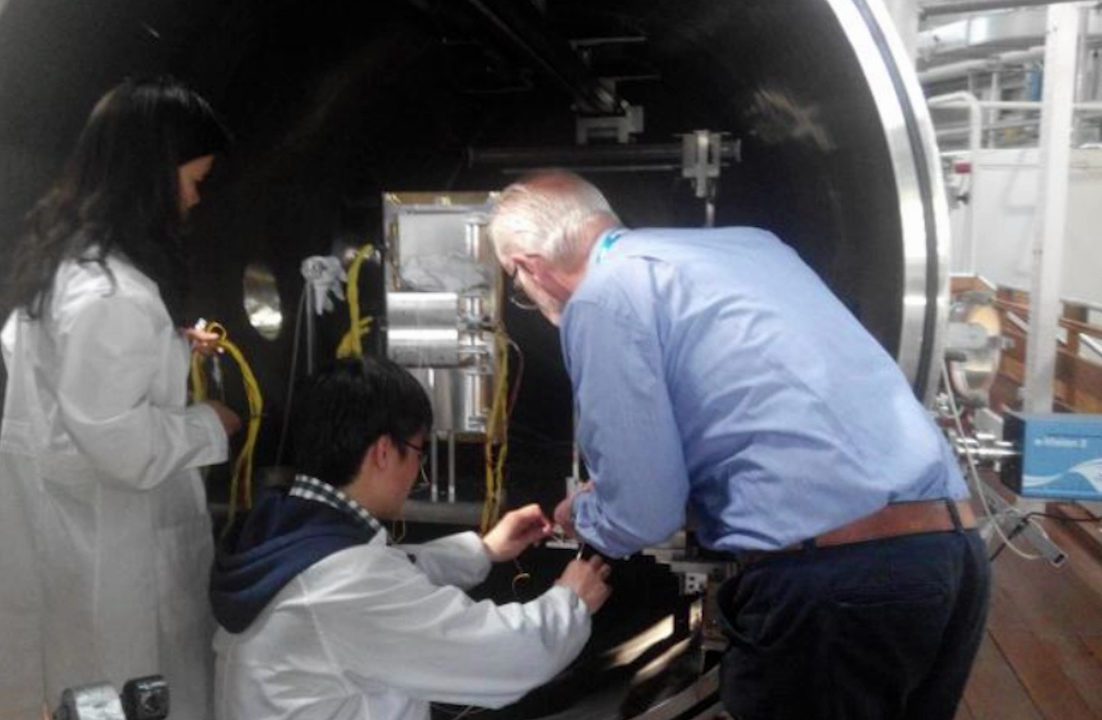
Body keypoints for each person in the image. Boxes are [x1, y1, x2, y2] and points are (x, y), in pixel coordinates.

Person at [487, 169, 991, 720]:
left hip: (837, 584)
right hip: (954, 556)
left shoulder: (601, 300)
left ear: (529, 267)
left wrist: (585, 512)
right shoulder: (753, 248)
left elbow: (642, 513)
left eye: (518, 286)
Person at [0, 77, 240, 720]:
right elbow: (121, 447)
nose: (193, 198)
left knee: (89, 688)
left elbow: (69, 375)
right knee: (130, 691)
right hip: (114, 551)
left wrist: (168, 345)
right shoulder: (112, 295)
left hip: (75, 530)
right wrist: (212, 424)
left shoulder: (72, 266)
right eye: (192, 180)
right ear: (152, 174)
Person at [210, 356, 612, 720]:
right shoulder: (341, 583)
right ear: (384, 451)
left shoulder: (281, 530)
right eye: (418, 453)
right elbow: (503, 655)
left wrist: (483, 549)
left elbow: (391, 569)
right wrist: (571, 601)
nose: (419, 474)